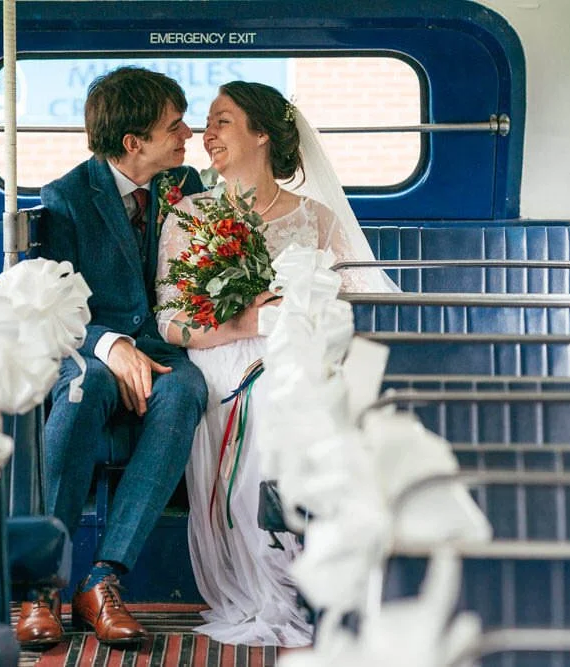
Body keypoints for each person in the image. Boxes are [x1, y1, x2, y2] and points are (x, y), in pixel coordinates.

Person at [155, 81, 397, 647]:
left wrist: (311, 318)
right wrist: (246, 324)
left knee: (335, 391)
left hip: (302, 350)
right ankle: (279, 579)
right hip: (222, 358)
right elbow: (171, 322)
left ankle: (338, 572)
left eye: (222, 122)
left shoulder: (315, 217)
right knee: (274, 399)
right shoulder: (189, 216)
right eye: (207, 123)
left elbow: (365, 301)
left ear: (261, 133)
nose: (206, 135)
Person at [17, 67, 208, 647]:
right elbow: (55, 301)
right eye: (174, 126)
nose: (189, 135)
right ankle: (40, 583)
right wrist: (112, 345)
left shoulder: (185, 182)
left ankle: (103, 580)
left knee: (185, 393)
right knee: (82, 391)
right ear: (133, 143)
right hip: (89, 343)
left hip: (167, 346)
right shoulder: (67, 198)